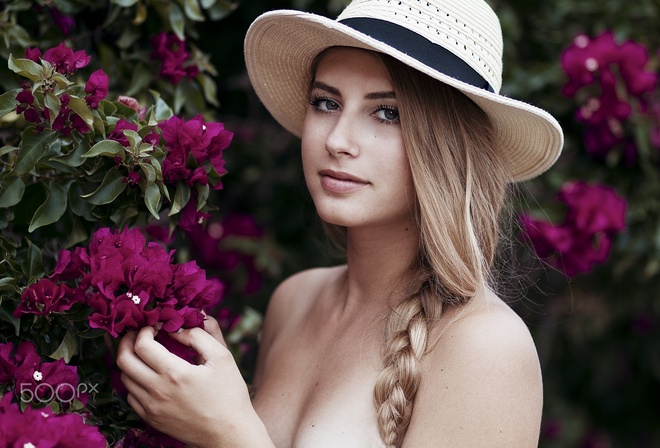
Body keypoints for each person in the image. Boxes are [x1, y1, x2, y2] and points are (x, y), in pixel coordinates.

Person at [116, 0, 564, 446]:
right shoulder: (295, 302)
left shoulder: (486, 347)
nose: (337, 140)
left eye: (387, 112)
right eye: (326, 102)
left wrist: (228, 431)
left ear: (448, 147)